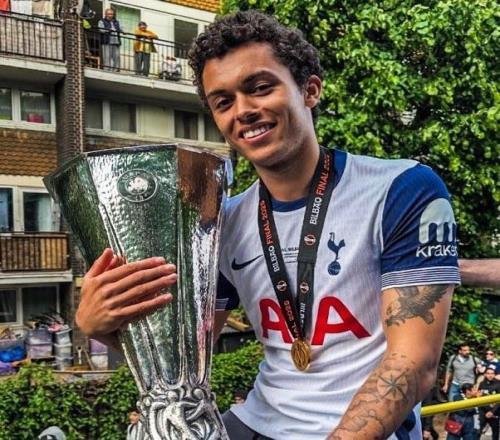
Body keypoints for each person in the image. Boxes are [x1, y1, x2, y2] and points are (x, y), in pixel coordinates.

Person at [76, 10, 459, 439]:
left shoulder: (401, 189)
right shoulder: (222, 223)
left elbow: (413, 364)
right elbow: (183, 359)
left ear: (310, 90)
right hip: (259, 420)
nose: (243, 111)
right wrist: (100, 326)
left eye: (259, 88)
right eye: (223, 102)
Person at [478, 368, 500, 440]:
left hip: (494, 412)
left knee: (495, 432)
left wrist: (492, 411)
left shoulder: (498, 384)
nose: (490, 375)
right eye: (488, 373)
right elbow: (479, 397)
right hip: (482, 411)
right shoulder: (482, 384)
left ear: (495, 374)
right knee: (477, 431)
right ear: (485, 374)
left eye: (492, 373)